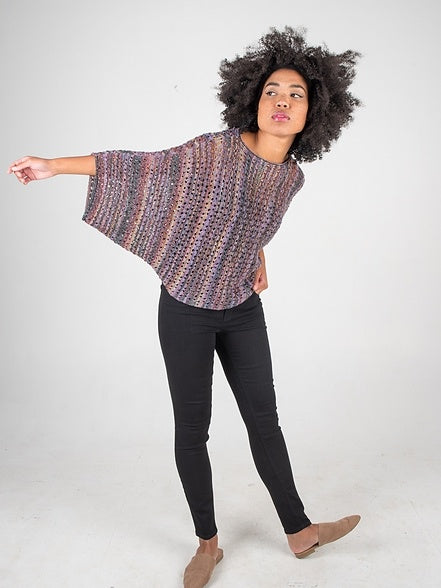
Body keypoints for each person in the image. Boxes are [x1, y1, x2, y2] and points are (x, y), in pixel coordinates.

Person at [8, 27, 361, 588]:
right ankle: (208, 543)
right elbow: (143, 167)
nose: (282, 101)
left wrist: (257, 254)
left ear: (313, 113)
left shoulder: (292, 178)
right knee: (193, 429)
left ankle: (299, 530)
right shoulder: (215, 150)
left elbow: (248, 219)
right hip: (186, 311)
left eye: (296, 94)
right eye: (272, 90)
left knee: (264, 420)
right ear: (253, 98)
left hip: (241, 309)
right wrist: (55, 165)